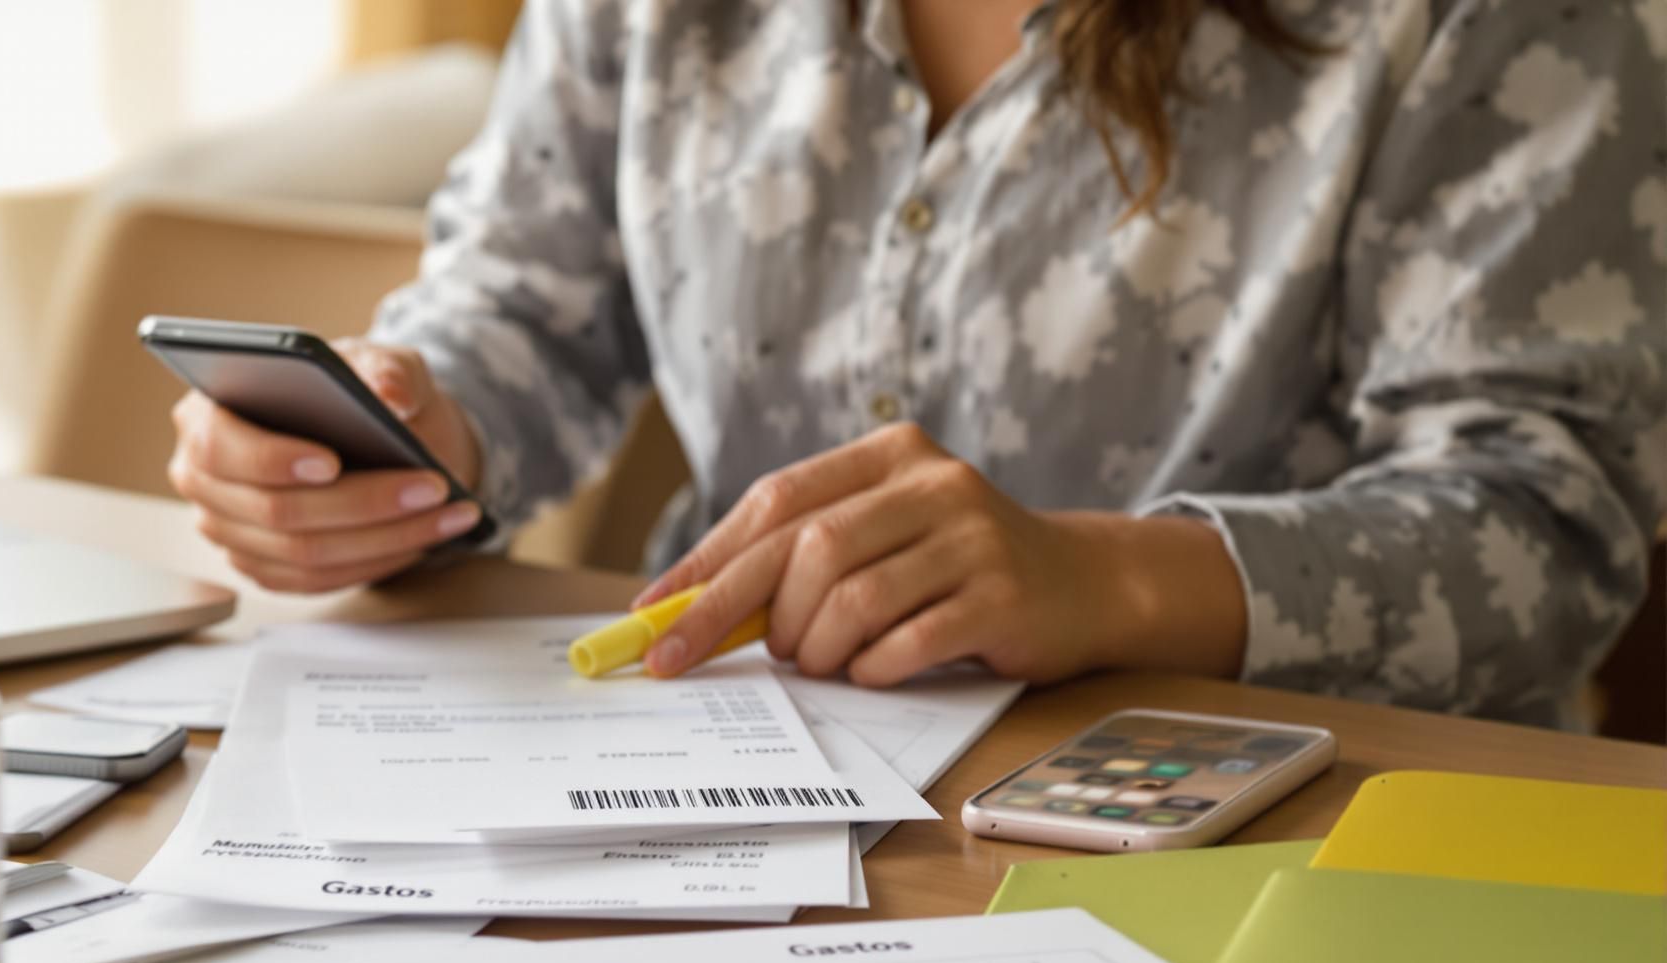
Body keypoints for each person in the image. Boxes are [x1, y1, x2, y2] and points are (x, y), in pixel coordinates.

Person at [163, 0, 1667, 727]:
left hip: (1301, 839)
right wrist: (399, 437)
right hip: (730, 806)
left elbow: (1549, 522)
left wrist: (1107, 581)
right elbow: (524, 306)